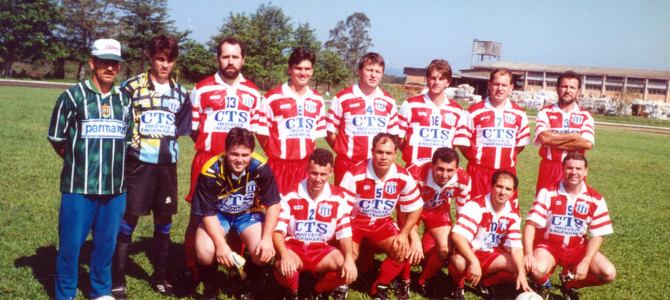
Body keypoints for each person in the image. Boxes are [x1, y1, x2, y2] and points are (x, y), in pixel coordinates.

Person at [47, 38, 130, 300]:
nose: (110, 68)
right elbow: (57, 139)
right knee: (71, 246)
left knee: (106, 245)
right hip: (78, 187)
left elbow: (127, 141)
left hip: (115, 188)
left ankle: (100, 290)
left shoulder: (124, 100)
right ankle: (65, 293)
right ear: (92, 62)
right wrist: (82, 163)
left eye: (114, 63)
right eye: (104, 62)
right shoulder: (72, 97)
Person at [109, 34, 190, 299]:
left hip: (166, 166)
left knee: (164, 221)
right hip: (139, 164)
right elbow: (119, 120)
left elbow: (180, 128)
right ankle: (118, 279)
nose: (164, 65)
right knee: (129, 218)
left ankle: (159, 276)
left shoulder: (181, 93)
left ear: (174, 62)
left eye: (169, 60)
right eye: (159, 59)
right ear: (150, 59)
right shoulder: (132, 87)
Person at [183, 37, 263, 284]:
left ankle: (234, 267)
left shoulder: (252, 91)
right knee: (199, 216)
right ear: (218, 58)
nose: (230, 61)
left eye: (235, 56)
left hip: (239, 164)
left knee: (238, 210)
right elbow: (194, 128)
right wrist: (213, 148)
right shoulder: (202, 88)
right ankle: (192, 268)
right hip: (208, 160)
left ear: (243, 59)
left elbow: (254, 132)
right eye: (225, 56)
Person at [191, 127, 280, 300]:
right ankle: (211, 286)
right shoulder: (211, 170)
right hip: (218, 214)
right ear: (225, 151)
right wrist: (221, 245)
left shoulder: (260, 167)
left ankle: (250, 283)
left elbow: (273, 204)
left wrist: (267, 238)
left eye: (245, 155)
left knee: (262, 252)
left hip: (247, 213)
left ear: (252, 153)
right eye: (235, 154)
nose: (240, 160)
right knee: (205, 251)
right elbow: (207, 213)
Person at [340, 133, 423, 300]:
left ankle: (380, 286)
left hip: (381, 223)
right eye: (379, 152)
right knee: (349, 254)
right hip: (354, 224)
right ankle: (341, 284)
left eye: (388, 153)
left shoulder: (402, 176)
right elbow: (340, 212)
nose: (383, 157)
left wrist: (404, 233)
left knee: (401, 250)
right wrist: (346, 240)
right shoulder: (354, 174)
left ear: (395, 155)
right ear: (372, 151)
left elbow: (416, 206)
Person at [524, 152, 615, 300]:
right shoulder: (548, 192)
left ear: (586, 171)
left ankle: (570, 284)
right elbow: (530, 224)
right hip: (549, 246)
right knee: (535, 268)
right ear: (562, 169)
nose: (574, 172)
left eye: (579, 169)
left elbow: (598, 234)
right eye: (569, 168)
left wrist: (585, 261)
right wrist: (528, 254)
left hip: (576, 247)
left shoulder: (595, 198)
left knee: (608, 273)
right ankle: (543, 284)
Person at [273, 148, 357, 299]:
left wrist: (350, 259)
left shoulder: (338, 197)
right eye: (314, 173)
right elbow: (278, 231)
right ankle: (293, 292)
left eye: (323, 174)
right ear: (307, 169)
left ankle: (319, 291)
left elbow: (345, 234)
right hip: (295, 248)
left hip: (321, 250)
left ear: (331, 173)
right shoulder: (290, 194)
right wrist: (284, 254)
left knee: (347, 269)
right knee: (283, 266)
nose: (318, 179)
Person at [449, 171, 531, 300]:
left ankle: (486, 282)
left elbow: (516, 246)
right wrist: (474, 261)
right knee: (458, 263)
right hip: (471, 253)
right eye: (499, 186)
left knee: (522, 265)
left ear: (513, 193)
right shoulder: (476, 206)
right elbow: (457, 236)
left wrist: (521, 273)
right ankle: (458, 286)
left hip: (492, 254)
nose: (503, 192)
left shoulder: (513, 214)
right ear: (491, 186)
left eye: (508, 189)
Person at [256, 48, 326, 195]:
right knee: (276, 211)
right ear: (290, 69)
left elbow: (315, 137)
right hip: (279, 166)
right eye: (298, 68)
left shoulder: (317, 99)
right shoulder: (272, 98)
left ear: (312, 71)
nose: (303, 73)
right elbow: (261, 132)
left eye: (307, 69)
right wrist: (275, 152)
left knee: (302, 211)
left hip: (305, 166)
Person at [455, 68, 530, 202]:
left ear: (511, 87)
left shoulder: (519, 114)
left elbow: (520, 145)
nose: (500, 88)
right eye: (496, 84)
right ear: (490, 84)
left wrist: (505, 158)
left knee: (504, 215)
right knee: (475, 213)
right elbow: (462, 142)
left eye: (504, 85)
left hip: (506, 173)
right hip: (479, 172)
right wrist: (477, 158)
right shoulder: (474, 111)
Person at [326, 52, 400, 185]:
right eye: (369, 70)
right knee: (344, 204)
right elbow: (329, 131)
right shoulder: (343, 97)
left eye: (378, 71)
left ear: (382, 74)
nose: (373, 75)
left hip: (376, 166)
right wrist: (344, 151)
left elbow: (393, 137)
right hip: (348, 164)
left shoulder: (389, 101)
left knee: (372, 204)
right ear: (360, 71)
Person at [405, 147, 471, 295]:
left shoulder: (463, 179)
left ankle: (422, 280)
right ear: (432, 165)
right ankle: (404, 280)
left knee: (444, 250)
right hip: (412, 210)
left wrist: (459, 241)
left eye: (450, 170)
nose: (444, 175)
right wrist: (413, 237)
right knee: (407, 245)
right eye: (440, 169)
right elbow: (402, 209)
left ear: (457, 168)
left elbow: (462, 215)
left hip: (437, 210)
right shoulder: (414, 173)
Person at [398, 59, 467, 166]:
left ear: (448, 82)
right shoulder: (410, 105)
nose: (436, 82)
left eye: (441, 79)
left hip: (442, 172)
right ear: (427, 79)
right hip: (415, 168)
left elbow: (456, 144)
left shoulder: (457, 111)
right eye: (433, 78)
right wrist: (411, 155)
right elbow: (399, 138)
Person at [534, 71, 594, 194]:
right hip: (550, 167)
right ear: (557, 89)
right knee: (545, 206)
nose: (568, 90)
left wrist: (553, 141)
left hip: (575, 168)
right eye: (564, 86)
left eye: (572, 87)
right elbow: (544, 138)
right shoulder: (545, 112)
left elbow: (587, 144)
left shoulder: (585, 116)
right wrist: (574, 137)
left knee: (571, 206)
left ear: (578, 91)